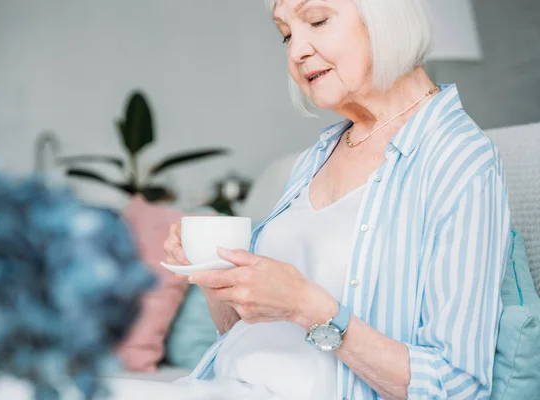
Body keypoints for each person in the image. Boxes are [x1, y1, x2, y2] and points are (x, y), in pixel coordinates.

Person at [161, 0, 512, 399]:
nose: (296, 52)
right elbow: (245, 339)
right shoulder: (318, 155)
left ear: (387, 15)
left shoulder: (459, 159)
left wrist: (307, 307)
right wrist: (211, 275)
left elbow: (459, 385)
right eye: (287, 34)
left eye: (317, 20)